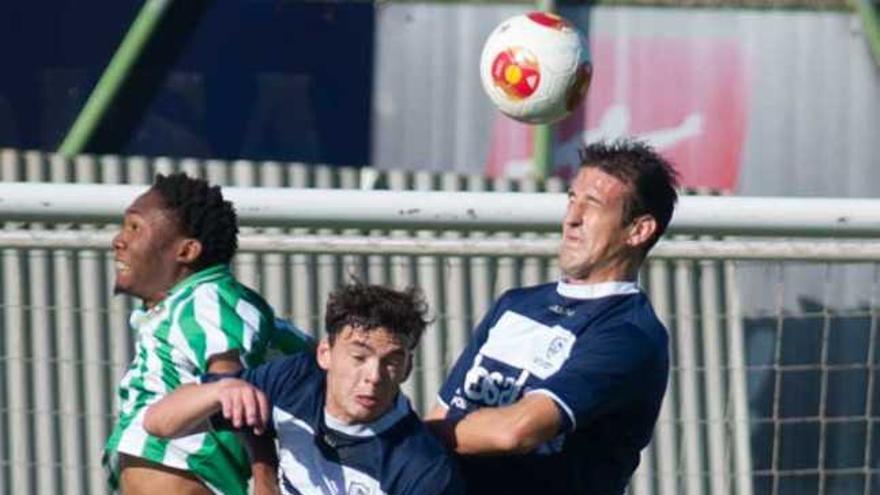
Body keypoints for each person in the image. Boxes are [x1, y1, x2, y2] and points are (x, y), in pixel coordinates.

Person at [426, 139, 679, 495]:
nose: (572, 219)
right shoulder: (515, 304)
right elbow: (443, 415)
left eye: (591, 205)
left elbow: (515, 431)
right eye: (571, 200)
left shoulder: (629, 335)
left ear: (638, 230)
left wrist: (393, 431)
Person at [144, 282, 465, 495]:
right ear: (325, 353)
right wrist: (219, 390)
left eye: (391, 362)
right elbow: (158, 423)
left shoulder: (421, 467)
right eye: (359, 357)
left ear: (407, 369)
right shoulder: (294, 381)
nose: (374, 376)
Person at [103, 173, 309, 495]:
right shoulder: (189, 306)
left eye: (135, 227)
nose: (119, 240)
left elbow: (237, 391)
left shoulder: (206, 300)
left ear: (186, 251)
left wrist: (266, 480)